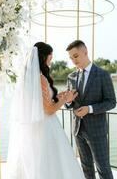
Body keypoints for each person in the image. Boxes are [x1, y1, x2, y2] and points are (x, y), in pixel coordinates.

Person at [7, 42, 85, 179]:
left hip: (32, 128)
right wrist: (65, 99)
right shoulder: (41, 78)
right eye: (50, 56)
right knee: (52, 162)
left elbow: (40, 103)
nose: (51, 59)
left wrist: (59, 96)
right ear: (44, 57)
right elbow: (49, 110)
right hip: (46, 127)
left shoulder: (27, 78)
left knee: (35, 162)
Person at [66, 40, 116, 179]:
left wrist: (90, 109)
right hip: (78, 129)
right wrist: (68, 101)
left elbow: (111, 102)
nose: (73, 60)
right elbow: (69, 104)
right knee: (86, 168)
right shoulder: (71, 77)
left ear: (85, 52)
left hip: (97, 131)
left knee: (103, 168)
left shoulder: (102, 75)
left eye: (75, 56)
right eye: (71, 58)